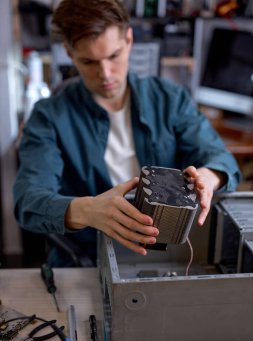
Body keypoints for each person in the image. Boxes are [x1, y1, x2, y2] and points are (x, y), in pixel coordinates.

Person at [13, 0, 241, 267]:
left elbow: (218, 157)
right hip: (85, 259)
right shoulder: (48, 116)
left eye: (113, 56)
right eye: (88, 62)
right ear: (69, 53)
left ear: (129, 40)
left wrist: (208, 177)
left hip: (164, 254)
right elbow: (28, 200)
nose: (105, 74)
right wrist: (88, 210)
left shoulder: (169, 99)